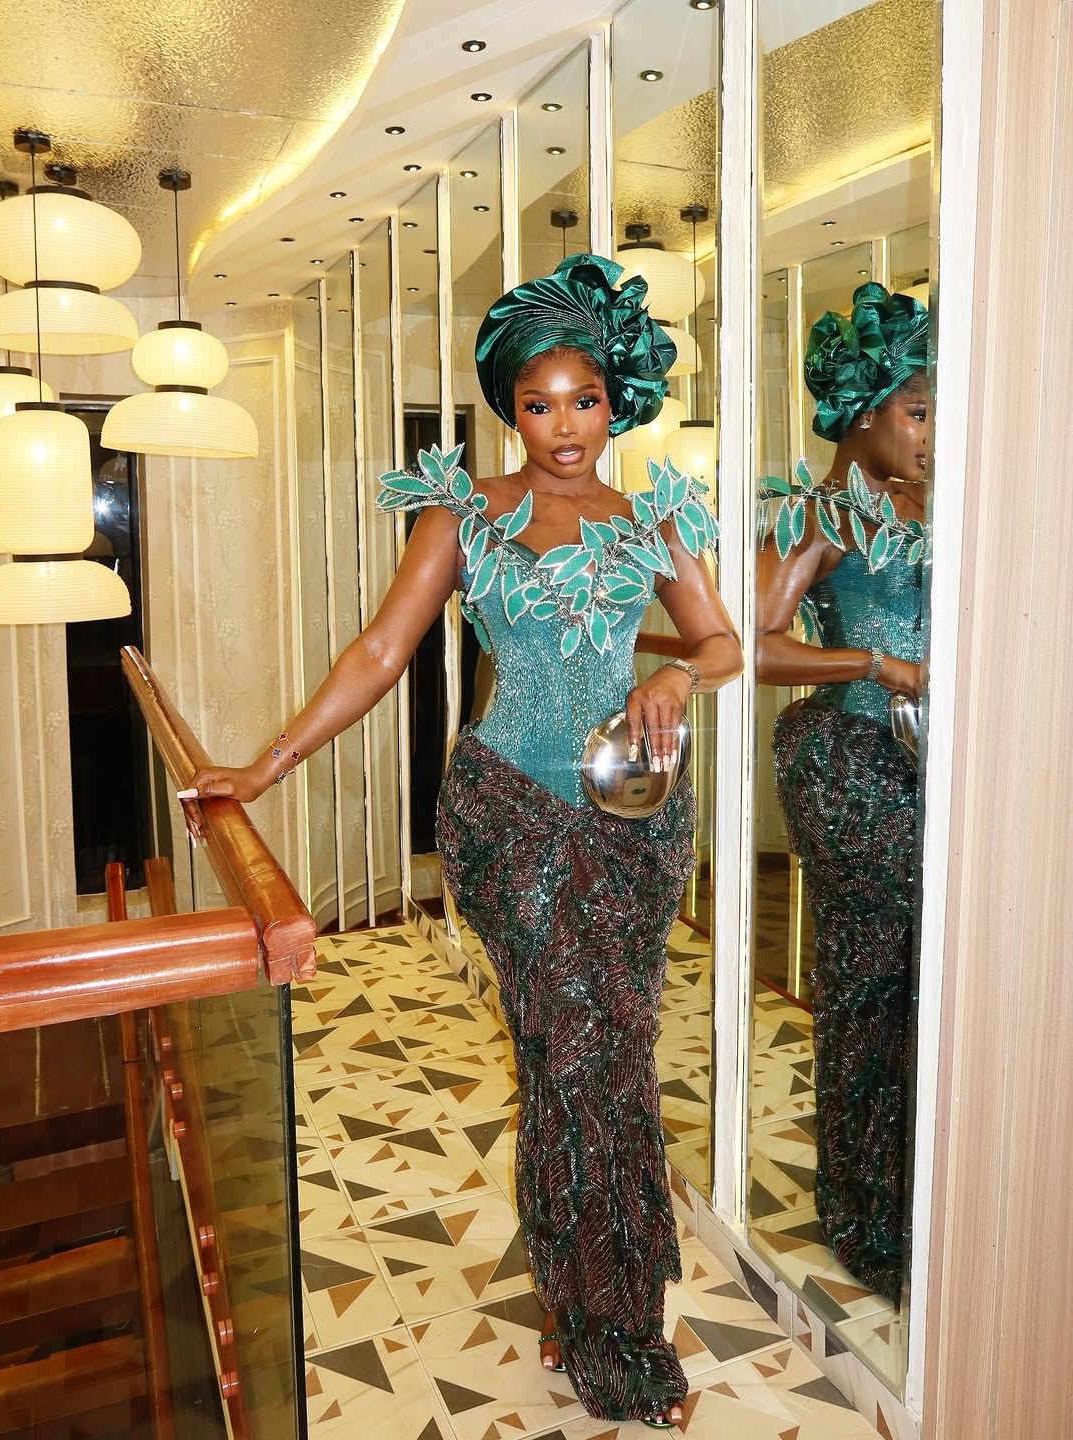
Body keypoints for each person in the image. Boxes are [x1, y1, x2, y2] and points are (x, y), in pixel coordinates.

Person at [182, 254, 743, 1426]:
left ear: (615, 402)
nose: (563, 426)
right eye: (537, 404)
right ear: (509, 410)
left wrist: (677, 678)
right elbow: (380, 652)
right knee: (574, 1053)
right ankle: (616, 1332)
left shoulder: (652, 520)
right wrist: (267, 766)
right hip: (510, 818)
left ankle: (589, 1289)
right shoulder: (466, 513)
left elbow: (723, 641)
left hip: (634, 823)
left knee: (605, 1055)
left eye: (583, 400)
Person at [755, 281, 928, 1303]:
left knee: (932, 987)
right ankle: (866, 1214)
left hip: (946, 768)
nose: (932, 434)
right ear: (864, 416)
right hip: (854, 766)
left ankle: (924, 1198)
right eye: (918, 412)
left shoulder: (942, 507)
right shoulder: (824, 513)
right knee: (869, 985)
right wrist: (877, 665)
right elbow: (755, 645)